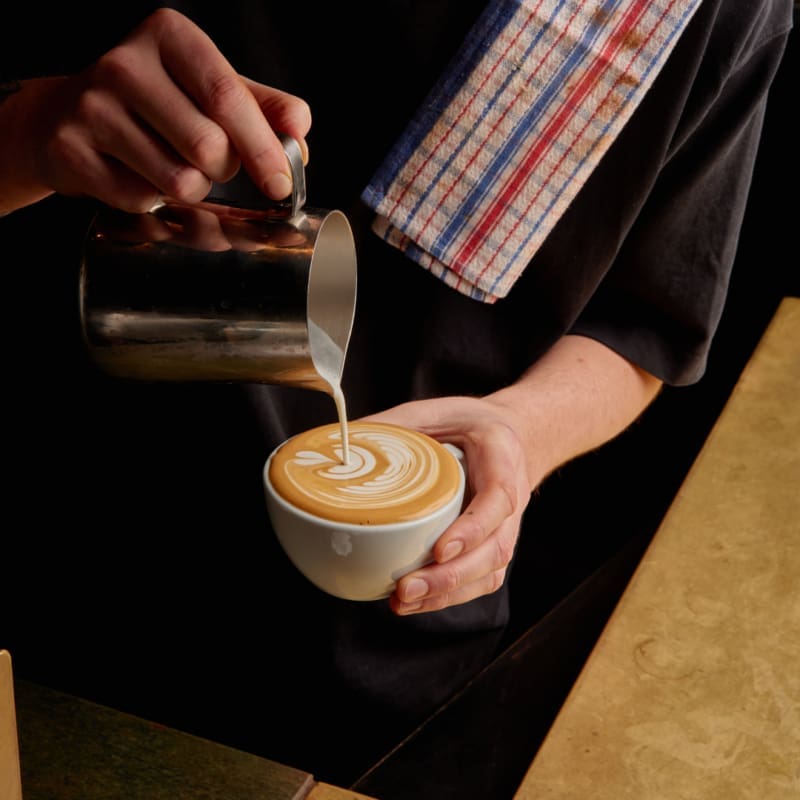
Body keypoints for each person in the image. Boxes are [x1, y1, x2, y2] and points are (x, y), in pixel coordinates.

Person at [1, 0, 792, 790]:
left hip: (404, 653)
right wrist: (29, 131)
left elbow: (648, 323)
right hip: (77, 604)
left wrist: (516, 431)